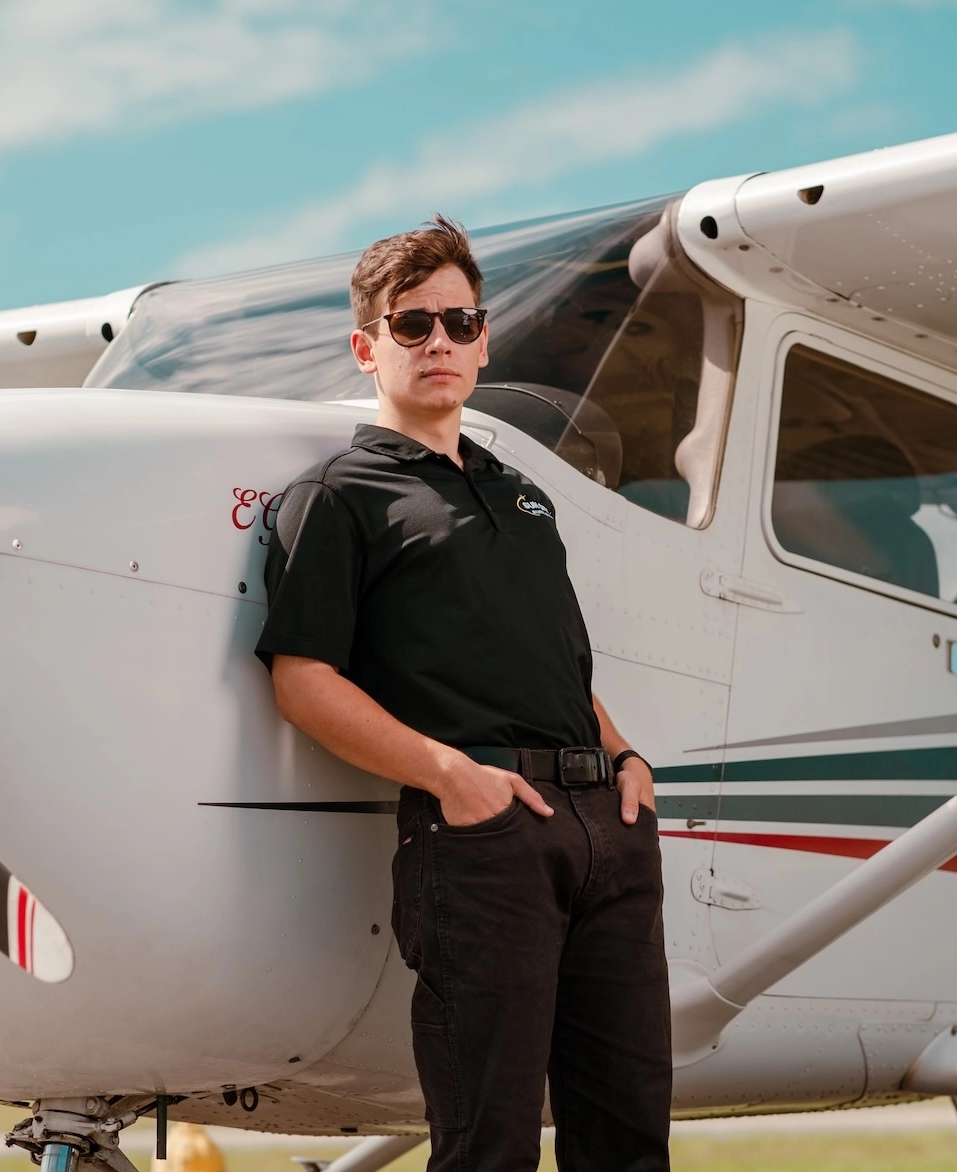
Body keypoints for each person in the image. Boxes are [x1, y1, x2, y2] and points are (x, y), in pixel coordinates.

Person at [255, 215, 671, 1171]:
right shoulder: (337, 495)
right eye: (411, 326)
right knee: (487, 1142)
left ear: (483, 340)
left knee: (629, 1137)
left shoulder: (524, 494)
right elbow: (304, 682)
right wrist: (454, 778)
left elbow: (563, 663)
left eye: (457, 322)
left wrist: (623, 756)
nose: (437, 342)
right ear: (368, 348)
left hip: (605, 824)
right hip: (483, 838)